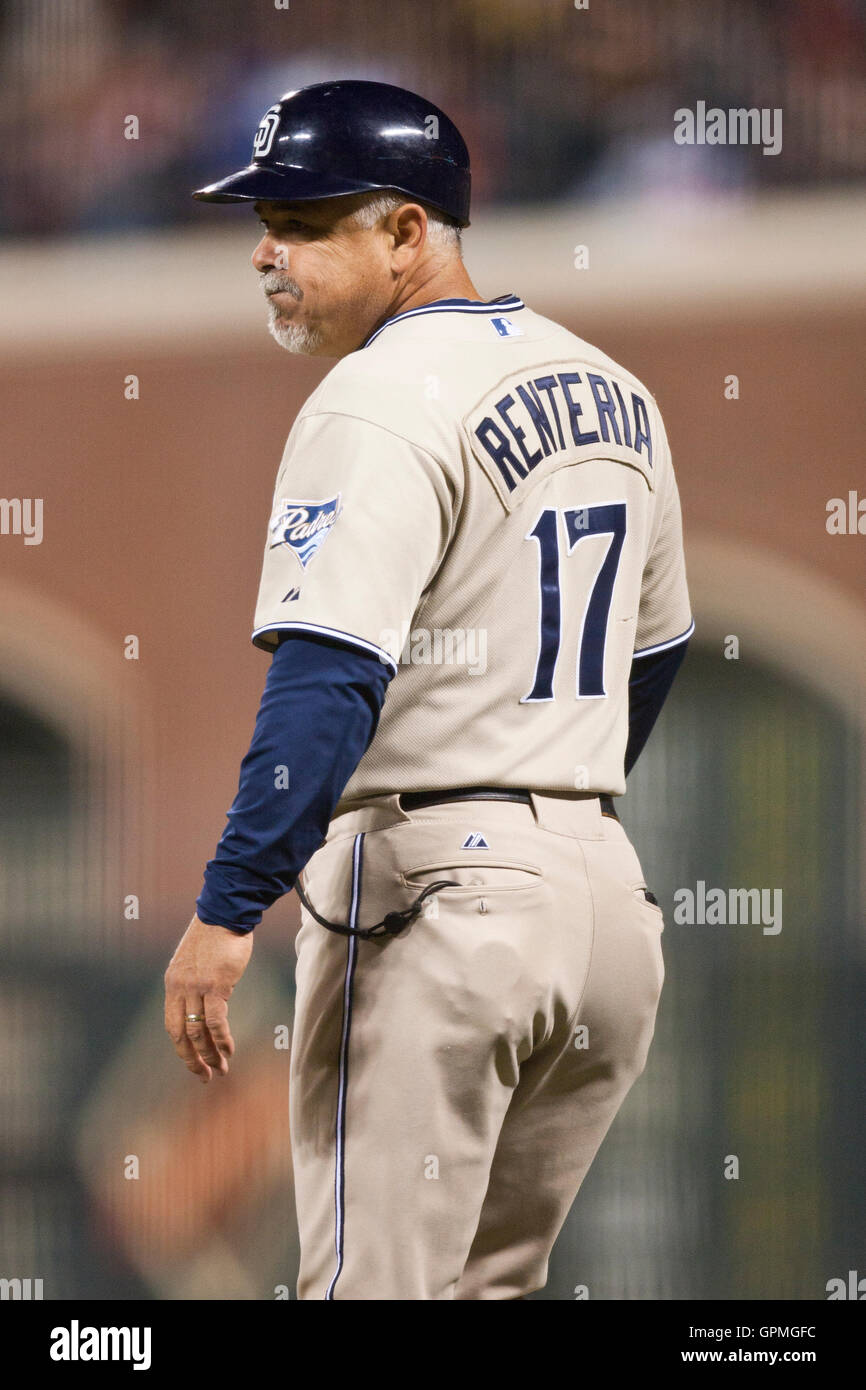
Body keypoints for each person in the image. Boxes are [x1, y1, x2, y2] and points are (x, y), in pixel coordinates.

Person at [164, 79, 693, 1301]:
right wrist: (557, 818)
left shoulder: (376, 392)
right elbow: (653, 655)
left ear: (408, 231)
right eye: (266, 222)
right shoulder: (616, 390)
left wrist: (227, 910)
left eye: (302, 223)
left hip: (436, 897)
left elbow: (329, 679)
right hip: (605, 908)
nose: (265, 252)